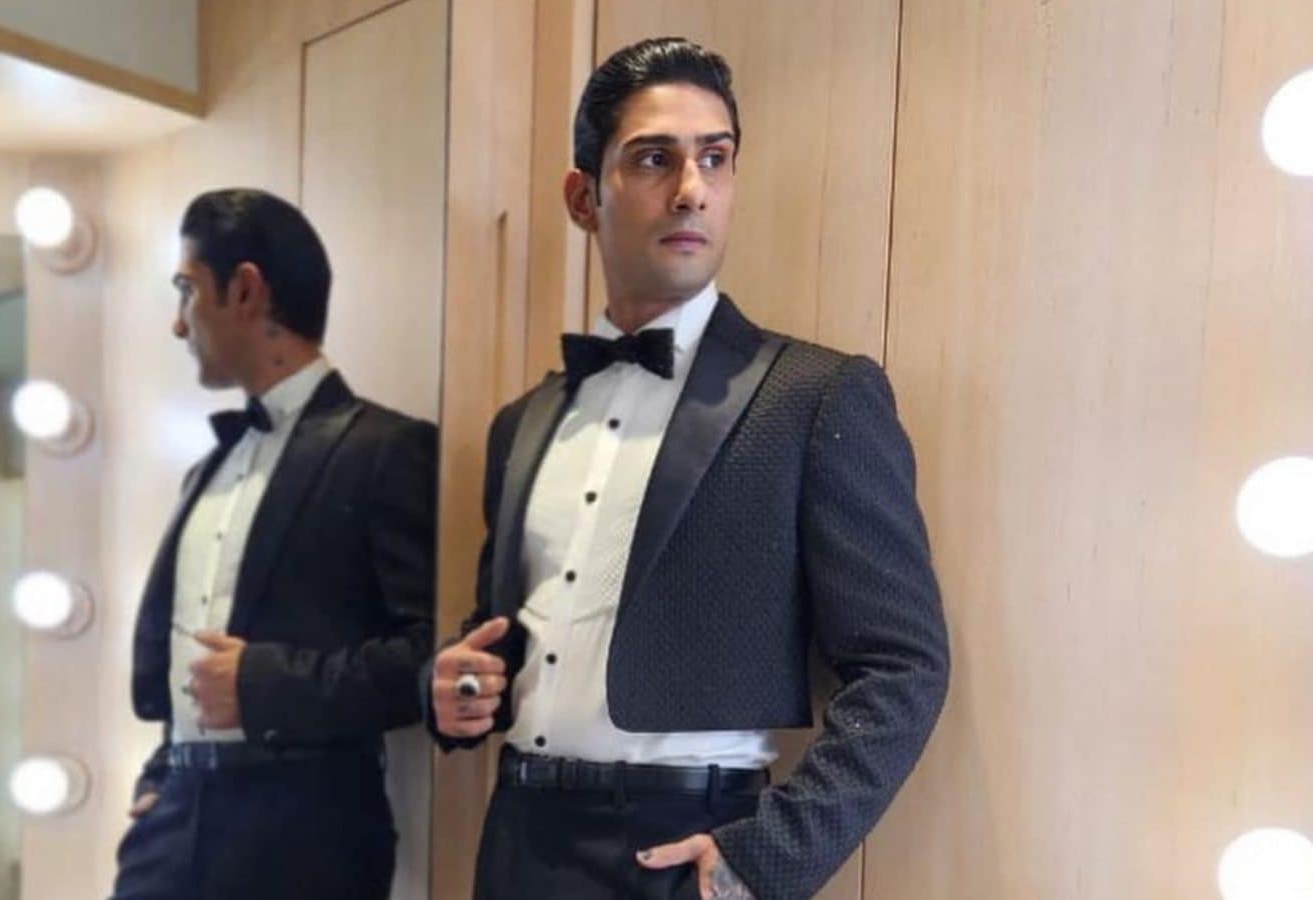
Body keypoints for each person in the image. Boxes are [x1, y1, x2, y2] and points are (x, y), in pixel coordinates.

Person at [426, 37, 951, 900]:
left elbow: (903, 666)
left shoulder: (815, 396)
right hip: (516, 837)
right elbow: (505, 631)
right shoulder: (523, 423)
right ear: (583, 198)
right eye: (653, 159)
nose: (691, 189)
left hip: (685, 851)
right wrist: (455, 688)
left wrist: (769, 854)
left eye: (715, 158)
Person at [110, 188, 437, 900]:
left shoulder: (387, 449)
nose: (177, 323)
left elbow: (429, 657)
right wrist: (161, 777)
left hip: (307, 838)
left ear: (245, 289)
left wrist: (264, 684)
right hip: (171, 827)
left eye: (186, 291)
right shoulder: (204, 469)